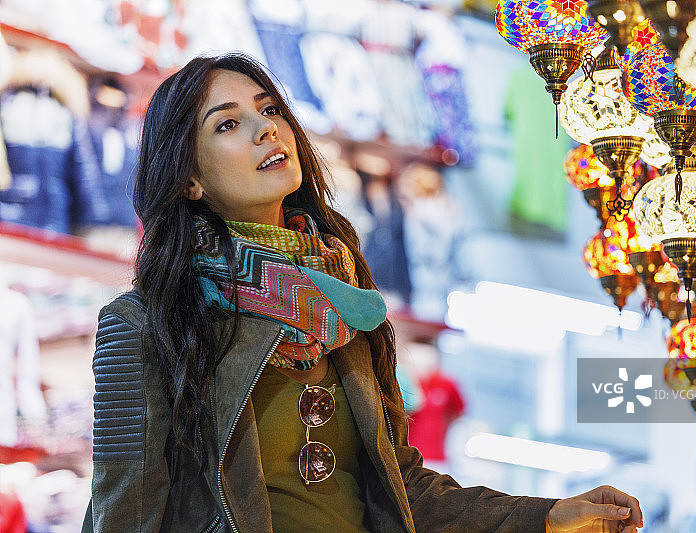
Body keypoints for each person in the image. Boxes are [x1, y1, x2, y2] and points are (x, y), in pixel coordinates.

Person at [83, 52, 643, 533]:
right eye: (227, 124)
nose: (266, 129)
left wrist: (544, 517)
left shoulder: (345, 304)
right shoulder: (145, 325)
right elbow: (126, 517)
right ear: (189, 178)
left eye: (271, 109)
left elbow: (403, 492)